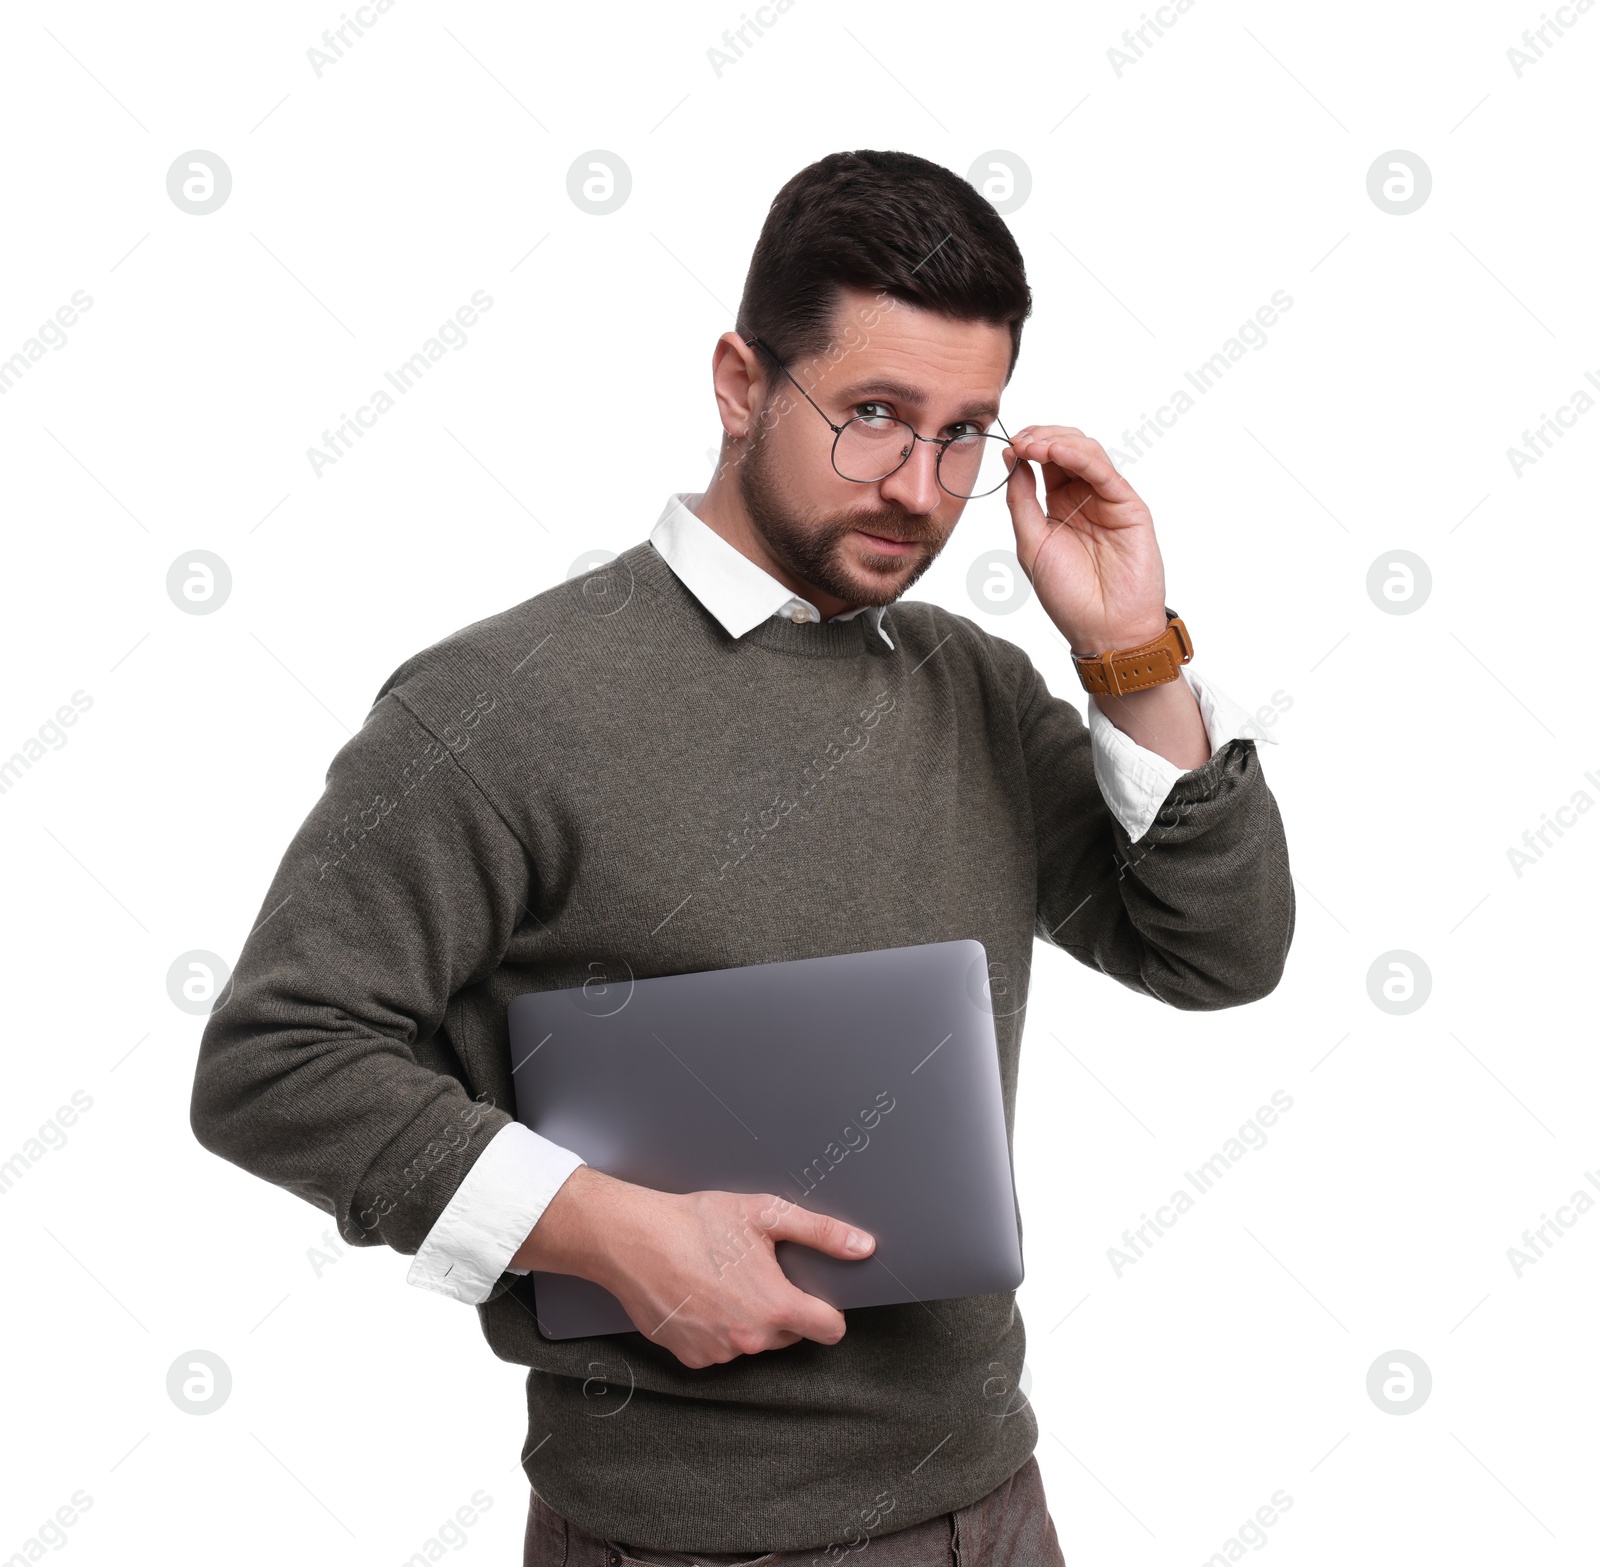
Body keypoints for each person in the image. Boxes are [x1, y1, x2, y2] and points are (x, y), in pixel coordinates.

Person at [190, 147, 1294, 1565]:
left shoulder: (972, 686)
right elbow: (277, 1059)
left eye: (966, 437)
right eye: (877, 418)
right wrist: (601, 1231)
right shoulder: (500, 705)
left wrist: (1130, 653)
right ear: (739, 384)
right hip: (690, 1540)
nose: (920, 487)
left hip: (996, 1508)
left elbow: (1219, 951)